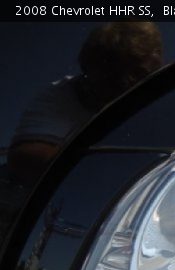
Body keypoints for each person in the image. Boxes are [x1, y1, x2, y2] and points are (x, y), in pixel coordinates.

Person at [8, 22, 163, 186]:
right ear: (89, 67)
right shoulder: (60, 96)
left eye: (140, 74)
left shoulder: (164, 93)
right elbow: (25, 158)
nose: (128, 83)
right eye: (114, 72)